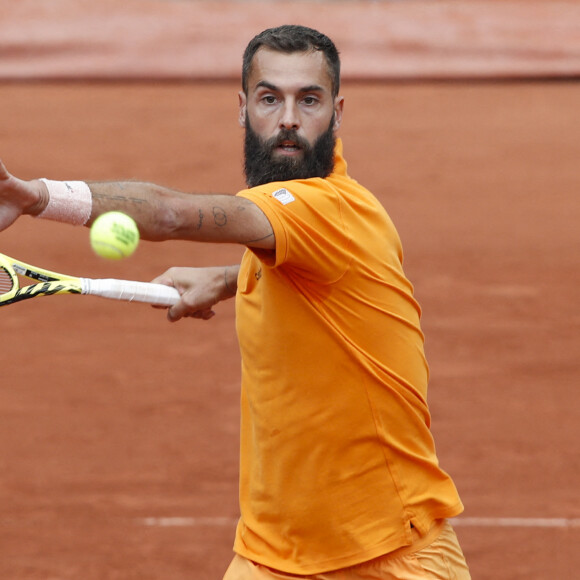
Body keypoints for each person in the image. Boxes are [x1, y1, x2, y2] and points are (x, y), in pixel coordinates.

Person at [0, 25, 470, 580]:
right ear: (243, 108)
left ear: (338, 112)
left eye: (309, 100)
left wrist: (36, 197)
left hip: (392, 554)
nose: (289, 118)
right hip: (268, 556)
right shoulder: (292, 240)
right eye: (270, 99)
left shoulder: (332, 208)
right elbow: (312, 273)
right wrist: (228, 277)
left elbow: (171, 213)